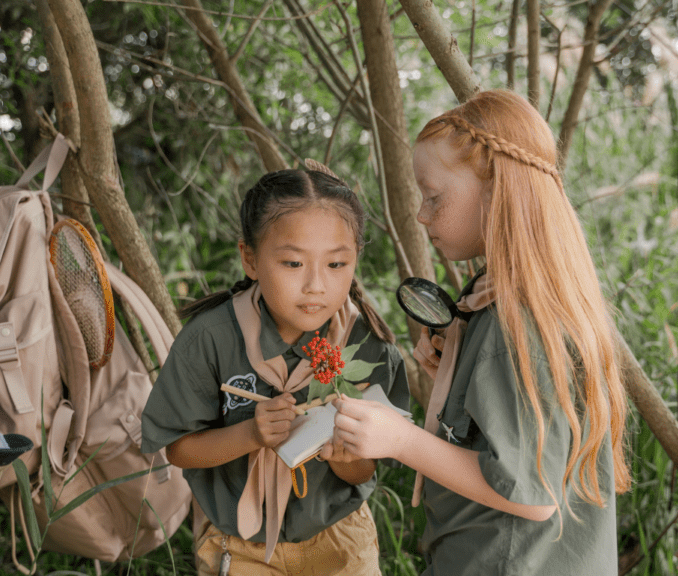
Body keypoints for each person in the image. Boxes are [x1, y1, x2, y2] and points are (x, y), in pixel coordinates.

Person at [331, 89, 631, 575]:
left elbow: (531, 496)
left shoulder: (516, 323)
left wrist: (400, 440)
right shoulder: (521, 299)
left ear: (495, 190)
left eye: (434, 196)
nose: (422, 215)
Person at [141, 168, 409, 576]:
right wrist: (250, 434)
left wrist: (344, 458)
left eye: (337, 263)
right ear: (250, 258)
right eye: (293, 263)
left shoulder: (368, 348)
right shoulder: (210, 340)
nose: (316, 284)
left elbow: (364, 469)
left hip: (339, 538)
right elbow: (179, 448)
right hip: (242, 545)